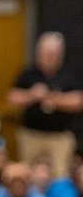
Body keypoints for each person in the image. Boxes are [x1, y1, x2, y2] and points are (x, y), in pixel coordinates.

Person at [7, 32, 83, 178]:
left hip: (59, 137)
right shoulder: (28, 74)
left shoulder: (69, 74)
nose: (50, 57)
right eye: (46, 53)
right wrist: (32, 95)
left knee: (60, 176)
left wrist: (54, 99)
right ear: (38, 53)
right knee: (26, 174)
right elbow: (12, 97)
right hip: (31, 135)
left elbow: (78, 100)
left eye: (53, 54)